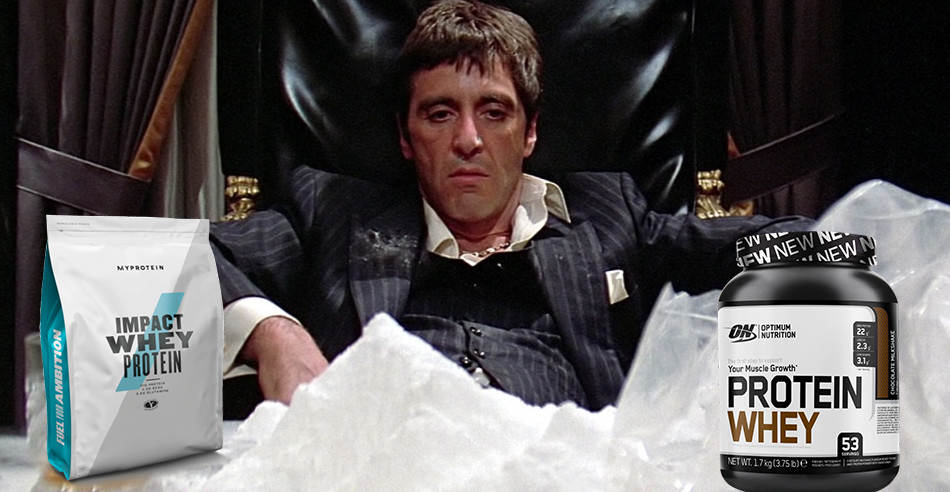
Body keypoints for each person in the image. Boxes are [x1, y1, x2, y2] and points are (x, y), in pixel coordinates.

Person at [210, 0, 811, 410]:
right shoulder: (332, 212)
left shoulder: (608, 216)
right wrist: (273, 334)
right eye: (439, 113)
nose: (468, 140)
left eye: (494, 112)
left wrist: (846, 245)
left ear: (530, 132)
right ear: (405, 136)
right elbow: (192, 258)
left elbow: (757, 247)